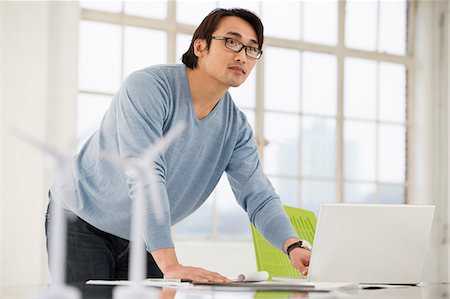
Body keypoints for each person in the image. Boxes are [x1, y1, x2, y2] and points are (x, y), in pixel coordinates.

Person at [46, 7, 312, 284]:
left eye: (252, 48)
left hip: (142, 234)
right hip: (80, 216)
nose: (242, 55)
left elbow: (258, 195)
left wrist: (293, 245)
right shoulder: (148, 87)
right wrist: (170, 263)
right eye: (232, 42)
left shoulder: (236, 128)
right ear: (200, 46)